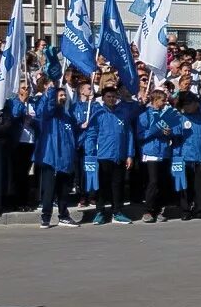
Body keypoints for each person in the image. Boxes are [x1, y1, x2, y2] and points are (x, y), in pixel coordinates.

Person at [86, 86, 135, 225]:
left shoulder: (123, 114)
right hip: (103, 156)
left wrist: (130, 155)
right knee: (102, 186)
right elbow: (91, 135)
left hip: (119, 156)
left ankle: (117, 212)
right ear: (103, 98)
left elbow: (129, 135)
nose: (112, 99)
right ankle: (100, 212)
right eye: (109, 96)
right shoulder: (99, 114)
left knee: (117, 185)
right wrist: (90, 154)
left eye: (114, 97)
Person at [34, 82, 79, 228]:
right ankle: (45, 217)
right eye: (60, 95)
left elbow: (73, 137)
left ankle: (64, 216)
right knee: (49, 190)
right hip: (51, 158)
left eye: (64, 95)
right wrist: (52, 89)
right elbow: (46, 108)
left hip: (66, 160)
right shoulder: (49, 115)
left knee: (64, 190)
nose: (63, 97)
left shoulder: (68, 117)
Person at [136, 90, 181, 223]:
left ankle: (159, 209)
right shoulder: (145, 115)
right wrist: (156, 131)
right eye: (162, 100)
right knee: (153, 182)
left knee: (162, 182)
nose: (165, 103)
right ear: (155, 100)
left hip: (165, 152)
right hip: (151, 152)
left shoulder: (166, 114)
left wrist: (170, 132)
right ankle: (148, 210)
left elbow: (176, 129)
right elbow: (140, 135)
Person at [173, 92, 201, 220]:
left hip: (200, 157)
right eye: (184, 104)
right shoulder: (180, 118)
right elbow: (175, 138)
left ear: (196, 104)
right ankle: (185, 210)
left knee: (200, 186)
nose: (187, 107)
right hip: (184, 158)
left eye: (189, 104)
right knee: (185, 186)